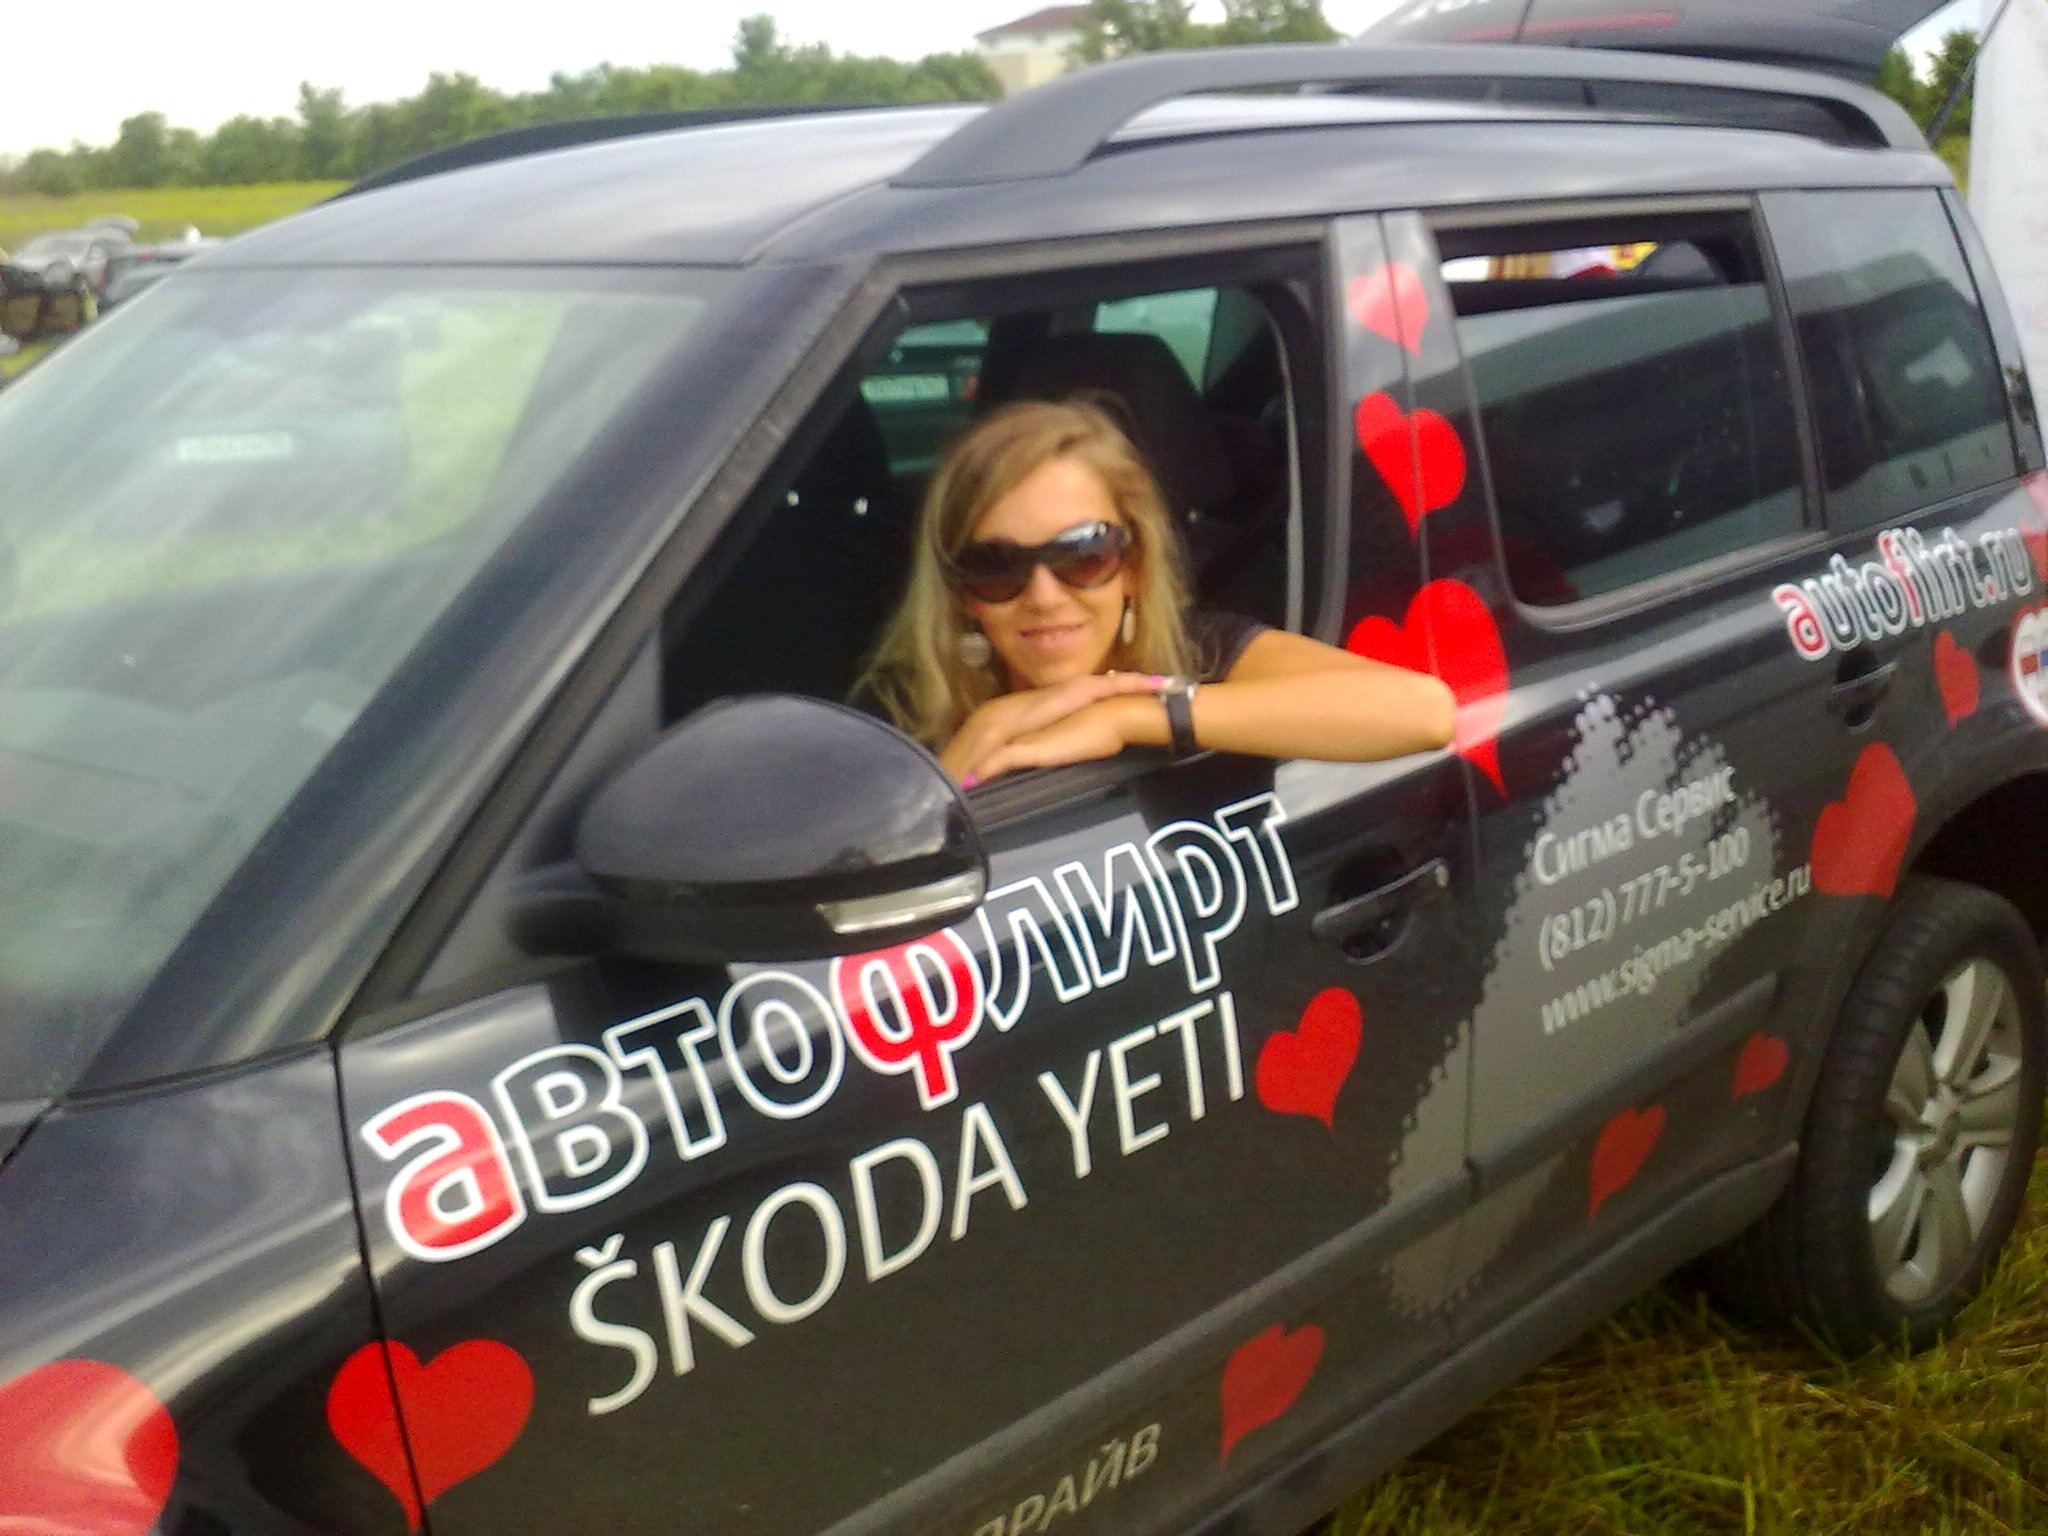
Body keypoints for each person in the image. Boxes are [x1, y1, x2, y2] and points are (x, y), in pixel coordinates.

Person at [860, 399, 1457, 788]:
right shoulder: (899, 713)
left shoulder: (1198, 654)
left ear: (1134, 566)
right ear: (961, 592)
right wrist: (971, 746)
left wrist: (1131, 718)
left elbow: (1423, 711)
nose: (1043, 595)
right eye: (995, 566)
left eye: (1083, 555)